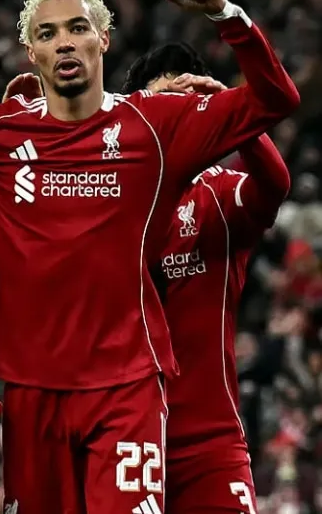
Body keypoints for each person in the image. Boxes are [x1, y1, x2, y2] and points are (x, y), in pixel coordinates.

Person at [0, 0, 300, 514]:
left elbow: (277, 99)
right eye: (47, 34)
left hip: (127, 389)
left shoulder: (155, 125)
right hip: (30, 396)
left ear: (103, 39)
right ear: (31, 54)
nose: (64, 41)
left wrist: (224, 14)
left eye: (77, 28)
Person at [122, 43, 290, 514]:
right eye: (161, 104)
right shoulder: (110, 198)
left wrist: (239, 120)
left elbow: (275, 185)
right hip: (125, 438)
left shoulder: (217, 194)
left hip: (209, 443)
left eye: (187, 103)